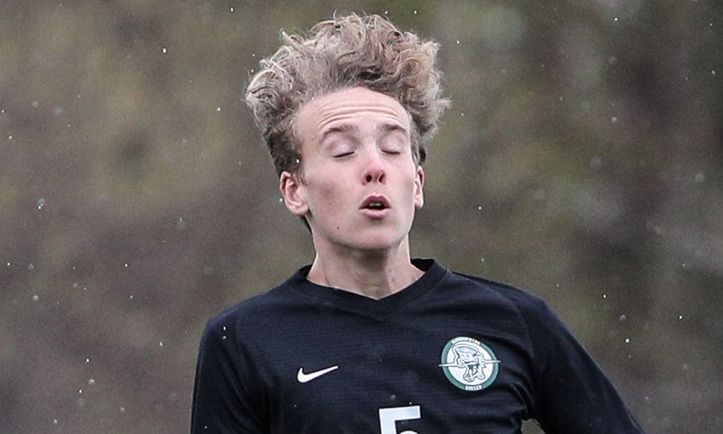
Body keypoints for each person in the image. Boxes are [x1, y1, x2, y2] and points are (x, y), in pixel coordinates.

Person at [191, 13, 645, 434]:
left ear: (419, 183)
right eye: (344, 151)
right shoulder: (244, 341)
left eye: (392, 148)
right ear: (295, 190)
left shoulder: (514, 322)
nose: (375, 167)